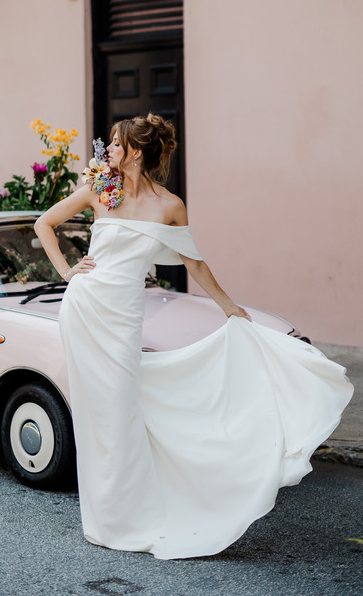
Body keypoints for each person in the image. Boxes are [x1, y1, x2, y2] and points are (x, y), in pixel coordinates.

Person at [34, 113, 353, 560]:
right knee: (96, 412)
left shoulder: (170, 206)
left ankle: (132, 513)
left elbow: (193, 263)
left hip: (123, 317)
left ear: (137, 151)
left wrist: (228, 307)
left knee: (121, 408)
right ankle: (107, 520)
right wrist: (68, 271)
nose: (107, 149)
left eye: (115, 142)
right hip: (85, 309)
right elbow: (43, 223)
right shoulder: (99, 188)